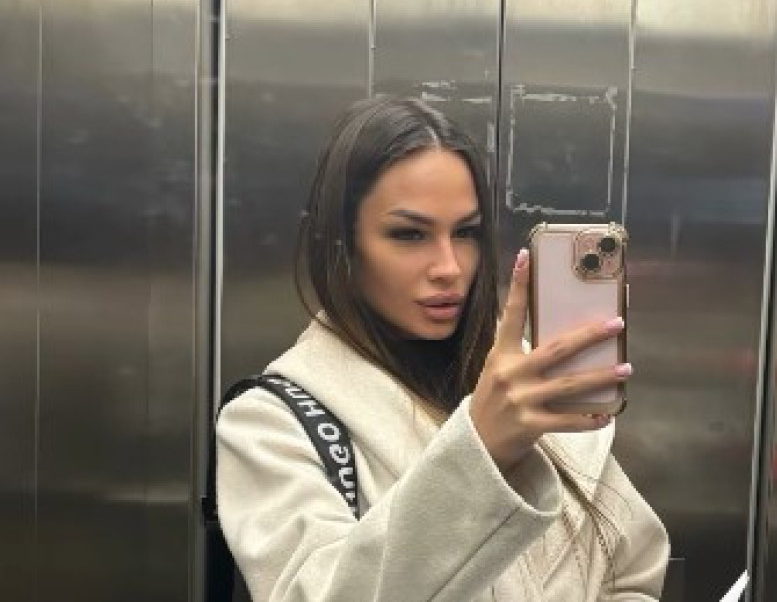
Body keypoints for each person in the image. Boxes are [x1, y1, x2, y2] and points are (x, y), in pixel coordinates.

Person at [216, 97, 670, 601]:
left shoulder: (526, 386)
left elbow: (632, 574)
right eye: (409, 234)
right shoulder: (269, 423)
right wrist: (482, 449)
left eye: (466, 233)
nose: (449, 268)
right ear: (341, 243)